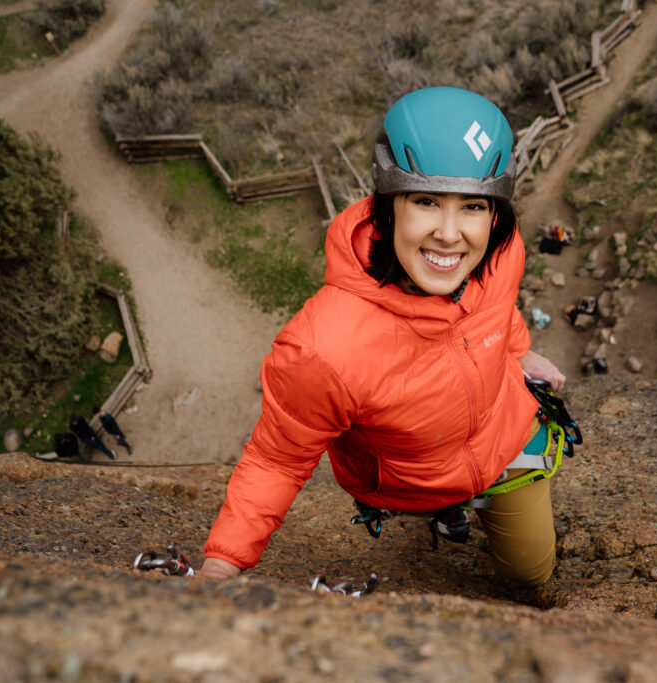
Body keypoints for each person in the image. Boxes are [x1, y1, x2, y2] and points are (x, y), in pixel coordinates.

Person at [197, 86, 567, 588]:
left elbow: (498, 309)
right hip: (408, 480)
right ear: (388, 204)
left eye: (473, 206)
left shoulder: (503, 251)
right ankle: (439, 505)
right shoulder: (323, 348)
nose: (450, 233)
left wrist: (520, 352)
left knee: (531, 576)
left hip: (503, 439)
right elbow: (276, 459)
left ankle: (456, 504)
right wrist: (223, 564)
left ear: (494, 212)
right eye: (427, 201)